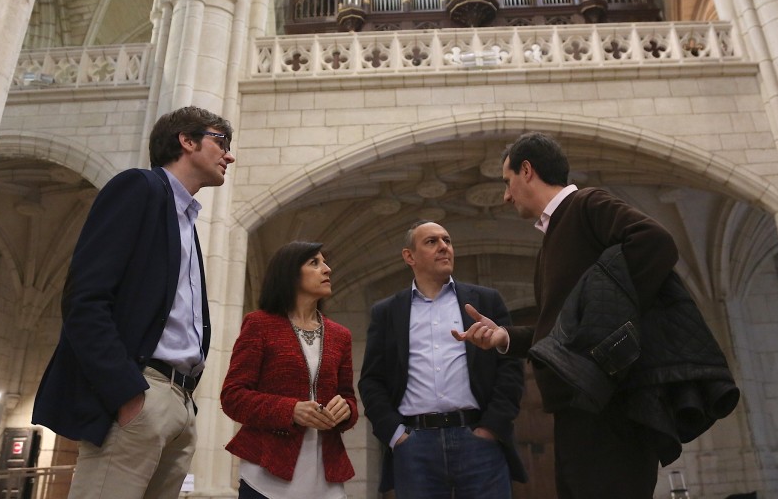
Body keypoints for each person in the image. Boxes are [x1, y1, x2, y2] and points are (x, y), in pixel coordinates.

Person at [452, 132, 679, 499]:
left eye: (508, 181)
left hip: (610, 404)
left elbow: (656, 242)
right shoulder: (552, 237)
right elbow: (563, 331)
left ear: (527, 171)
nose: (506, 195)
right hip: (579, 406)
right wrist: (504, 337)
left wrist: (602, 330)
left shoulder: (587, 205)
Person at [32, 106, 235, 499]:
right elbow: (85, 299)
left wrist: (185, 403)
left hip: (180, 399)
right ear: (186, 141)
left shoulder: (186, 219)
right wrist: (126, 392)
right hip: (143, 392)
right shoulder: (139, 188)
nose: (229, 155)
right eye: (220, 141)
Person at [359, 220, 527, 499]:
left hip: (478, 441)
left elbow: (510, 367)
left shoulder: (485, 301)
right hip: (415, 447)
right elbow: (371, 381)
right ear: (409, 256)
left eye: (447, 240)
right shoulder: (387, 312)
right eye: (431, 242)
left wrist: (491, 428)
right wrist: (396, 436)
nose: (443, 247)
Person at [221, 241, 358, 499]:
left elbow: (348, 397)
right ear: (290, 273)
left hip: (326, 481)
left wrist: (347, 410)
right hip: (266, 477)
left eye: (325, 262)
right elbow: (233, 397)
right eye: (314, 263)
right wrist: (290, 410)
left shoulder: (341, 336)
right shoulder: (259, 324)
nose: (327, 269)